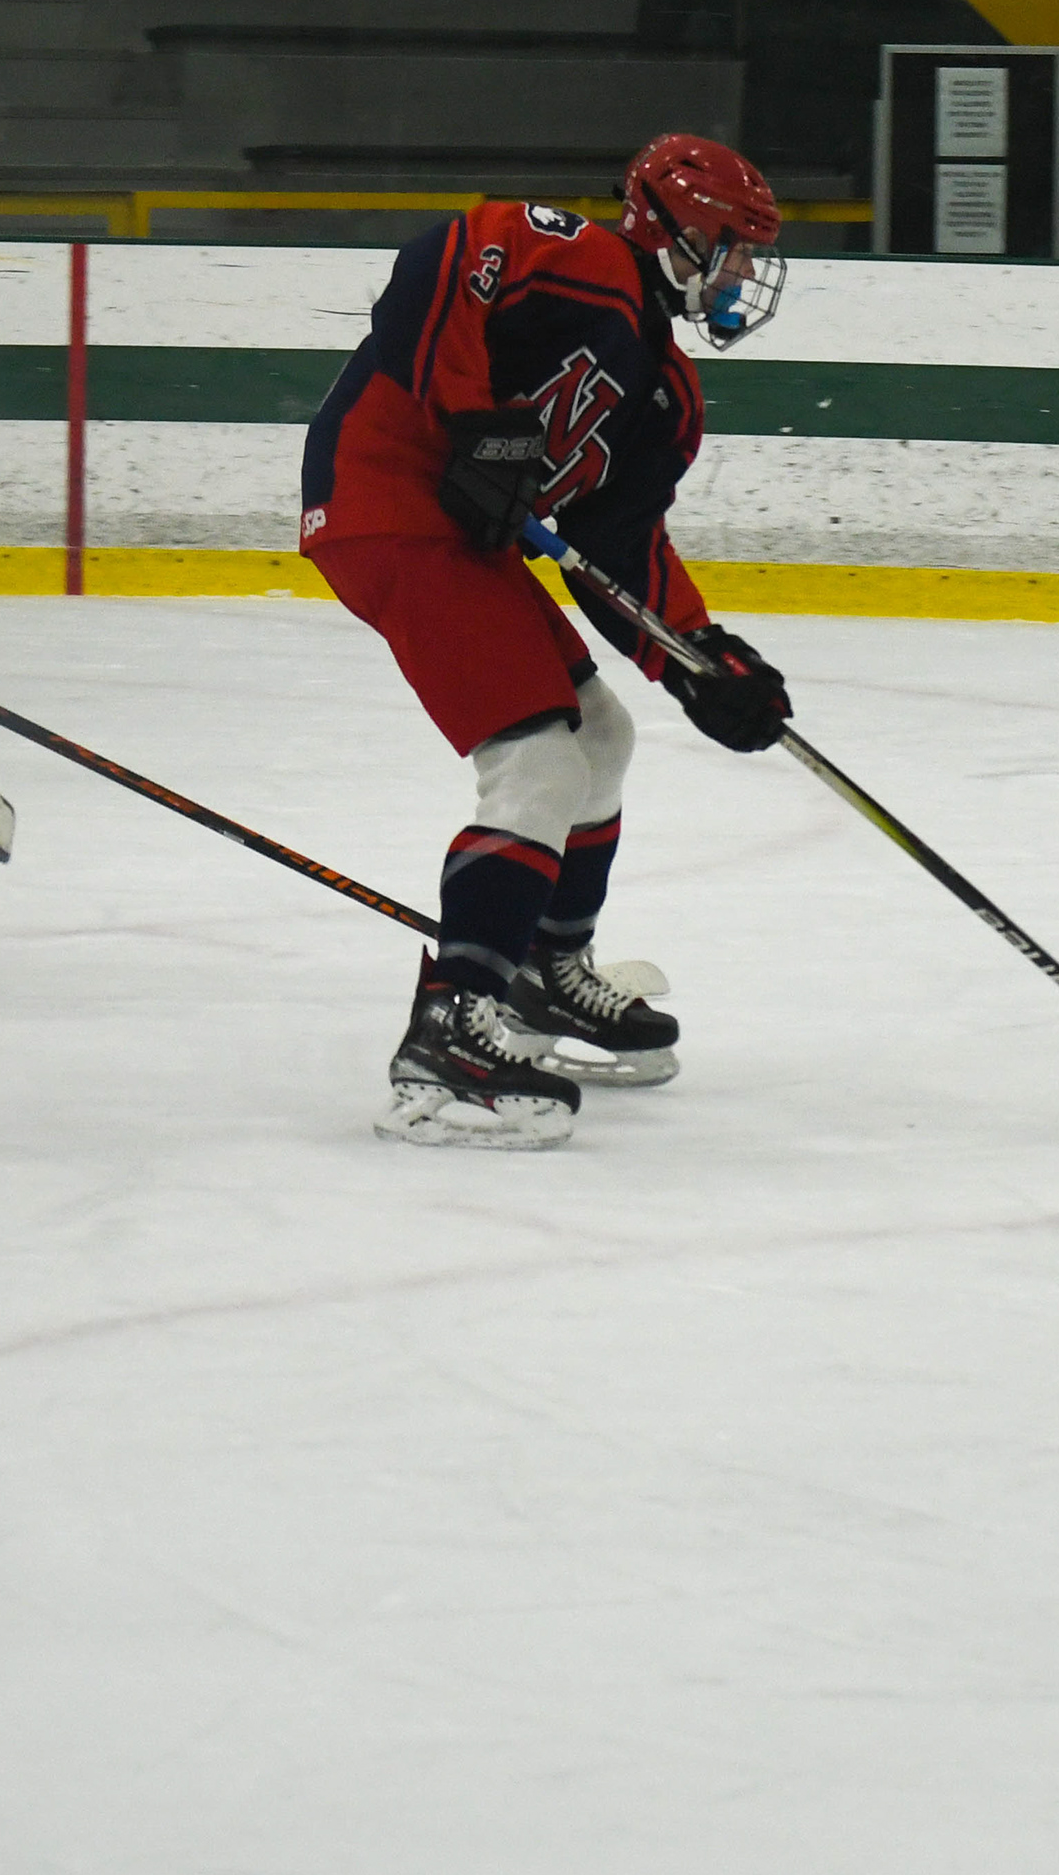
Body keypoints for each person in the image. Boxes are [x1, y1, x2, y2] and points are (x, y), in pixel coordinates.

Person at [299, 134, 796, 1149]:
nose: (743, 273)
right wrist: (474, 420)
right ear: (680, 233)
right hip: (382, 494)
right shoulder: (579, 259)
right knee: (535, 760)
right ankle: (453, 1024)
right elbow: (438, 263)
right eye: (735, 248)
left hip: (460, 538)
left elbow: (620, 546)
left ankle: (542, 972)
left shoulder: (667, 395)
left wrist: (701, 658)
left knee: (601, 738)